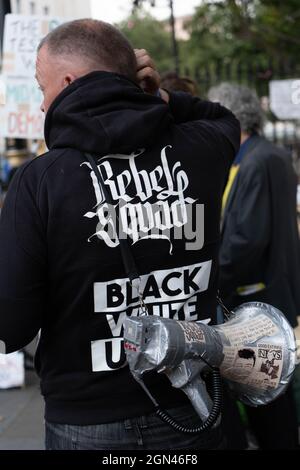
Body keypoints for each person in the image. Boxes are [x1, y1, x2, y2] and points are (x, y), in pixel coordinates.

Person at [0, 20, 240, 450]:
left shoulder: (39, 181)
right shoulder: (200, 148)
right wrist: (160, 96)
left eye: (42, 88)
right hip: (190, 404)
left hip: (87, 419)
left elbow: (11, 324)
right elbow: (223, 119)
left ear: (69, 82)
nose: (40, 106)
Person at [208, 83, 300, 449]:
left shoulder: (256, 161)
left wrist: (213, 279)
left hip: (257, 302)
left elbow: (247, 238)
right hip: (270, 296)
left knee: (267, 402)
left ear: (231, 117)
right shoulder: (269, 155)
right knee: (270, 398)